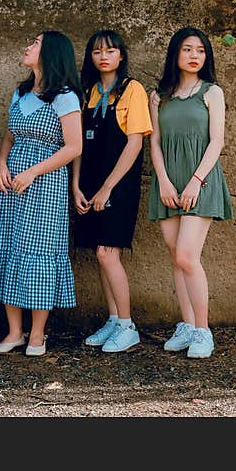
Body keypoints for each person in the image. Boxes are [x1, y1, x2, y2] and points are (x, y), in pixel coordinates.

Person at [0, 31, 83, 357]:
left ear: (51, 53)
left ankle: (37, 334)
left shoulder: (65, 96)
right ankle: (14, 331)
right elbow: (9, 137)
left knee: (39, 252)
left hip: (46, 186)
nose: (28, 46)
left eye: (36, 43)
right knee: (11, 246)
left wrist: (32, 171)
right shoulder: (21, 93)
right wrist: (1, 164)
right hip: (13, 184)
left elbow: (73, 147)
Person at [148, 27, 233, 359]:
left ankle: (202, 330)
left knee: (186, 256)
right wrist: (165, 181)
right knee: (174, 256)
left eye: (200, 50)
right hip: (168, 183)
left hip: (201, 182)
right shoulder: (160, 96)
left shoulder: (212, 92)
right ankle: (186, 324)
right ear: (175, 54)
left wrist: (196, 180)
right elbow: (153, 142)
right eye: (187, 49)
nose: (195, 55)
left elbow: (217, 141)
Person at [72, 30, 152, 353]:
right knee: (99, 255)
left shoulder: (132, 90)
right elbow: (77, 144)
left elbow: (135, 143)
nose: (103, 56)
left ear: (121, 56)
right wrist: (76, 185)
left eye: (110, 51)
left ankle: (127, 324)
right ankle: (113, 318)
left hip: (119, 186)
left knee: (108, 252)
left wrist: (107, 187)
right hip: (89, 184)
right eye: (96, 52)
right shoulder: (87, 92)